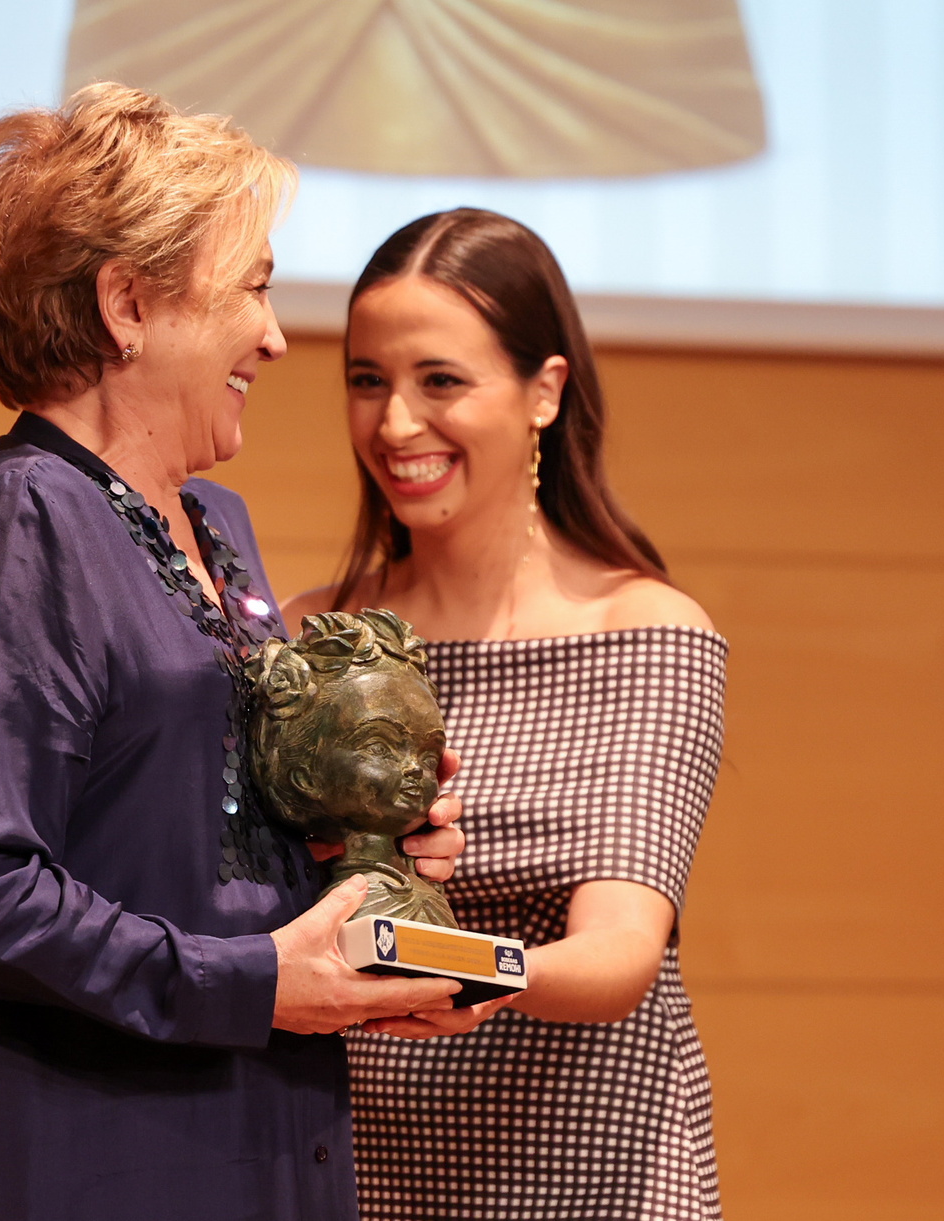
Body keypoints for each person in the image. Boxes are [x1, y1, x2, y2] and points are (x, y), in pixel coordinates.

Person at [0, 85, 475, 1221]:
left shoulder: (217, 525)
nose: (276, 336)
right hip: (68, 1167)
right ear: (127, 304)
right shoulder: (23, 522)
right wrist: (253, 979)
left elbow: (171, 844)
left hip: (240, 1141)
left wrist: (357, 850)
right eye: (253, 286)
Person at [284, 208, 730, 1220]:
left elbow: (620, 955)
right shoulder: (314, 637)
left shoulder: (645, 631)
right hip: (352, 1169)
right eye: (368, 380)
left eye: (441, 380)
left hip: (594, 1176)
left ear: (544, 391)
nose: (397, 424)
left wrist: (454, 968)